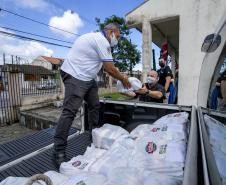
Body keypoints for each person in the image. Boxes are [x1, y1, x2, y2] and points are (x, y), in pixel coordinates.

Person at [53, 23, 131, 168]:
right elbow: (110, 69)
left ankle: (93, 136)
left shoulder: (99, 41)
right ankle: (58, 151)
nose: (117, 40)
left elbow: (110, 66)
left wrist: (120, 74)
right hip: (74, 74)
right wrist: (124, 79)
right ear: (111, 32)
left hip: (88, 78)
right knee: (70, 112)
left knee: (94, 105)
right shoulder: (101, 40)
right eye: (117, 36)